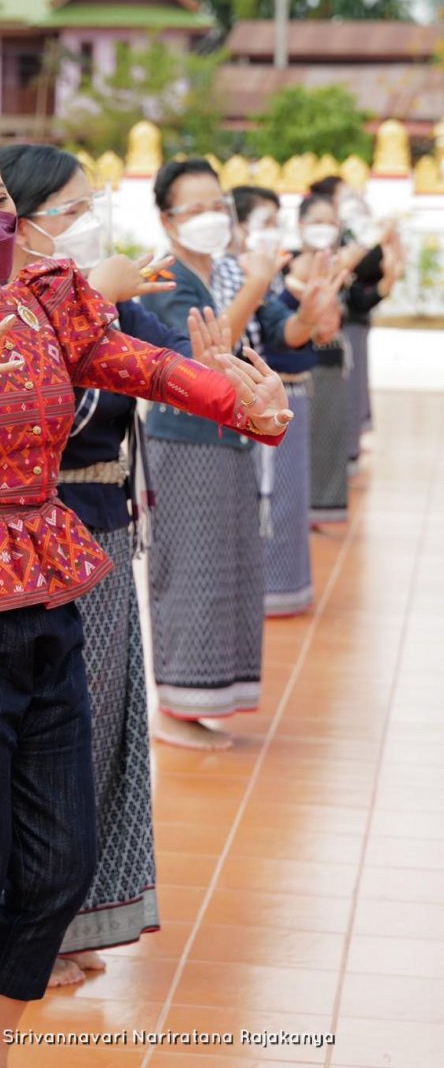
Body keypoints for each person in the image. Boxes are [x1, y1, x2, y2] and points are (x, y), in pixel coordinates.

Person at [0, 119, 292, 1065]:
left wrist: (236, 399)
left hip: (47, 601)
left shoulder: (49, 300)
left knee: (60, 865)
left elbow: (143, 366)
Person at [0, 142, 193, 986]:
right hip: (51, 539)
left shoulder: (98, 301)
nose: (90, 223)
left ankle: (72, 914)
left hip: (110, 528)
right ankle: (29, 923)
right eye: (73, 210)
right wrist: (92, 303)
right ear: (25, 221)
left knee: (104, 726)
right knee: (54, 735)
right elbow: (44, 418)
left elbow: (172, 364)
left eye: (93, 205)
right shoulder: (2, 310)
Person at [141, 160, 304, 749]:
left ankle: (208, 695)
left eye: (219, 207)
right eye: (195, 208)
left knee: (230, 567)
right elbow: (199, 358)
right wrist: (259, 284)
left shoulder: (229, 272)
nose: (212, 219)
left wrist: (305, 311)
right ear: (166, 219)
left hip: (232, 435)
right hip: (185, 442)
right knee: (191, 569)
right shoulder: (163, 278)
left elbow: (278, 334)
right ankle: (178, 705)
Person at [232, 185, 344, 615]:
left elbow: (286, 333)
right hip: (244, 404)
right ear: (237, 225)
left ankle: (283, 589)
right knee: (267, 503)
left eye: (275, 222)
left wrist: (308, 317)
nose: (270, 232)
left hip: (284, 393)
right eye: (263, 222)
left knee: (285, 502)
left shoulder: (273, 274)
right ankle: (263, 592)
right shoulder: (232, 273)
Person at [309, 176, 402, 467]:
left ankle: (345, 452)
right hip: (318, 338)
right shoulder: (318, 248)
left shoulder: (347, 237)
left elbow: (359, 292)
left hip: (348, 324)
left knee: (348, 391)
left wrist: (387, 273)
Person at [294, 192, 351, 524]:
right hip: (300, 366)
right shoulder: (288, 264)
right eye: (317, 221)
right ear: (301, 225)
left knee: (327, 438)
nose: (324, 228)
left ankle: (321, 507)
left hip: (330, 362)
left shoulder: (339, 266)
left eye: (331, 222)